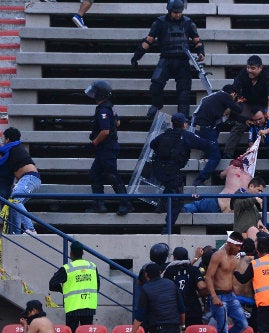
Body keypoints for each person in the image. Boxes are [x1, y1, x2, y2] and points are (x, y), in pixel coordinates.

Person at [130, 0, 205, 118]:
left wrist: (201, 53)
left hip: (182, 61)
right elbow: (148, 41)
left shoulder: (188, 23)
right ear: (170, 11)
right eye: (175, 12)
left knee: (184, 92)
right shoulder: (160, 22)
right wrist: (136, 57)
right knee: (156, 85)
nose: (178, 14)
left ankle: (183, 118)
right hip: (166, 59)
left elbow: (197, 41)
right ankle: (156, 105)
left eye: (179, 12)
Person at [149, 112, 216, 232]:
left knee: (170, 187)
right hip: (172, 171)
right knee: (178, 200)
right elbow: (204, 144)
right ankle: (167, 228)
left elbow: (152, 144)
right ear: (184, 124)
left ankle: (160, 207)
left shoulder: (165, 134)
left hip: (159, 169)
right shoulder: (186, 135)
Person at [84, 80, 133, 216]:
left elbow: (105, 131)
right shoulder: (109, 107)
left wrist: (94, 143)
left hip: (107, 147)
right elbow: (117, 122)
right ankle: (99, 204)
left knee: (112, 176)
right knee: (95, 174)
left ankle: (126, 203)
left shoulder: (103, 110)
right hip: (106, 148)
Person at [223, 55, 269, 159]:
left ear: (260, 68)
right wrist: (230, 107)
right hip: (247, 103)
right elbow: (234, 91)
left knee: (267, 123)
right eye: (248, 67)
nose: (249, 71)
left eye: (253, 68)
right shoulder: (243, 73)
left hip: (263, 105)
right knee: (239, 125)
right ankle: (227, 154)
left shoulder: (267, 76)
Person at [49, 241, 100, 333]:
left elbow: (52, 284)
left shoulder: (67, 268)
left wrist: (63, 290)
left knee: (71, 331)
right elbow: (97, 286)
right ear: (83, 253)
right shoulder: (92, 266)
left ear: (71, 253)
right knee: (86, 331)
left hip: (73, 307)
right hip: (89, 306)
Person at [205, 231, 248, 333]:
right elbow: (208, 277)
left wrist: (234, 292)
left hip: (231, 296)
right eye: (237, 246)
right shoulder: (218, 255)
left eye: (240, 246)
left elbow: (230, 276)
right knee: (223, 328)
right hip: (219, 296)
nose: (239, 249)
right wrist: (214, 297)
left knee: (243, 324)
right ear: (229, 243)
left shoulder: (235, 257)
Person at [1, 127, 40, 234]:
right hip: (29, 179)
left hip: (29, 178)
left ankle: (31, 229)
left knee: (16, 199)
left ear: (8, 139)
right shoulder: (14, 148)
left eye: (4, 139)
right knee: (13, 207)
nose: (3, 141)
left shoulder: (12, 148)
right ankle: (15, 234)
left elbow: (1, 157)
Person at [182, 159, 252, 214]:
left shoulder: (232, 167)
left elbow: (221, 176)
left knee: (196, 205)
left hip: (220, 202)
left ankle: (174, 210)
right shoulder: (249, 176)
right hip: (235, 209)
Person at [132, 263, 186, 333]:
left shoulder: (146, 288)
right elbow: (181, 309)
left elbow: (140, 315)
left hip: (158, 328)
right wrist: (183, 326)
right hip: (174, 327)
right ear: (160, 272)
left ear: (146, 274)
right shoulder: (171, 284)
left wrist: (133, 331)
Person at [163, 246, 208, 326]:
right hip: (193, 310)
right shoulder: (193, 269)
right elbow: (201, 286)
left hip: (175, 310)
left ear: (174, 257)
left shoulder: (169, 271)